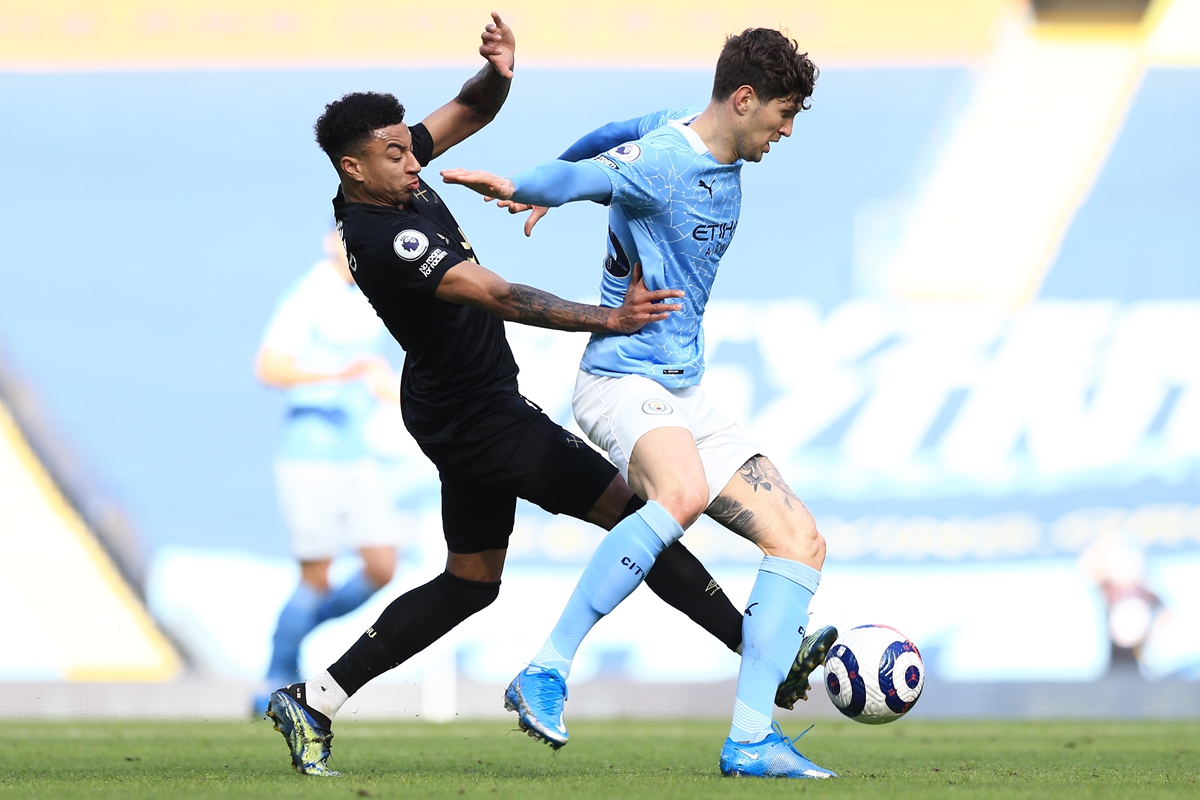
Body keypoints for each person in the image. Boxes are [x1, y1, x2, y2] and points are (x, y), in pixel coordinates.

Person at [265, 14, 825, 778]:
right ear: (351, 169)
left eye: (408, 145)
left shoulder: (394, 176)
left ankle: (314, 701)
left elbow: (468, 111)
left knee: (471, 584)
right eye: (394, 153)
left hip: (456, 402)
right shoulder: (377, 236)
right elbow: (498, 295)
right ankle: (762, 653)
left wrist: (499, 72)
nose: (413, 159)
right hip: (476, 416)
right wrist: (610, 317)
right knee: (641, 515)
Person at [441, 28, 837, 779]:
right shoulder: (665, 163)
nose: (787, 131)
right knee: (680, 492)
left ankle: (751, 740)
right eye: (783, 114)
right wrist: (531, 186)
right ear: (745, 100)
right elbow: (589, 175)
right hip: (622, 380)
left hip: (681, 387)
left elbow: (610, 139)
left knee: (800, 541)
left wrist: (566, 164)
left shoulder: (682, 124)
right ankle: (547, 669)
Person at [253, 230, 404, 715]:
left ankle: (294, 635)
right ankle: (276, 676)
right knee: (315, 578)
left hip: (354, 451)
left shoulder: (365, 295)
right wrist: (340, 375)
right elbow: (270, 368)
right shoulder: (307, 296)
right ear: (329, 242)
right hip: (310, 453)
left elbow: (369, 367)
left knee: (382, 566)